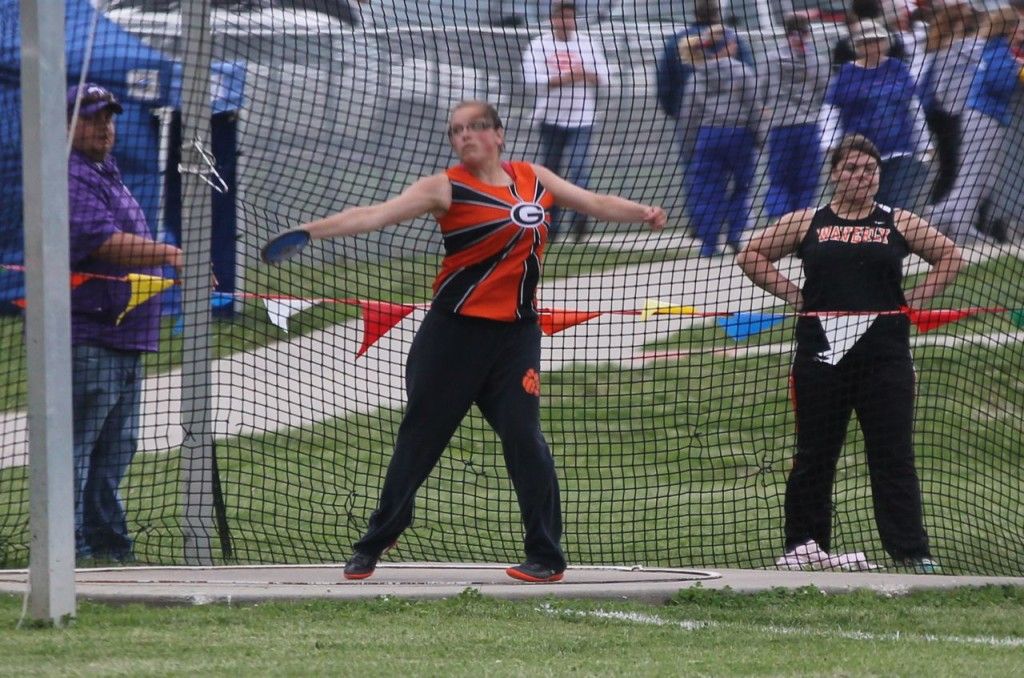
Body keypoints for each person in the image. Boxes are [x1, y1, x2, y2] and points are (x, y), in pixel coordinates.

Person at [285, 101, 665, 583]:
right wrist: (310, 231)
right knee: (419, 441)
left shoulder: (535, 178)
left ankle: (546, 557)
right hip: (453, 336)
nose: (464, 136)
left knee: (526, 440)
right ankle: (377, 540)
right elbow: (375, 216)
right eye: (456, 131)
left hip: (516, 336)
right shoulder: (444, 187)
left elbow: (593, 202)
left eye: (475, 127)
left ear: (499, 135)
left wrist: (642, 212)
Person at [736, 134, 964, 573]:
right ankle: (804, 547)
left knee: (892, 454)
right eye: (852, 169)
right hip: (822, 357)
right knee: (814, 454)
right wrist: (794, 296)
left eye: (870, 170)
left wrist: (915, 298)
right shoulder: (810, 221)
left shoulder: (898, 221)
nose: (861, 177)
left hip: (886, 357)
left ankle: (911, 551)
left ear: (879, 176)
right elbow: (751, 255)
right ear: (835, 173)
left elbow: (952, 257)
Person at [67, 83, 183, 563]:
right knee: (78, 447)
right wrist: (175, 254)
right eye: (93, 118)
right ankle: (66, 548)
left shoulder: (103, 170)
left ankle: (107, 547)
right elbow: (100, 242)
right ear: (65, 125)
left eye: (109, 118)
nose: (104, 128)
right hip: (90, 334)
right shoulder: (68, 174)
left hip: (124, 335)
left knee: (116, 449)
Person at [924, 7, 1024, 244]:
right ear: (1008, 28)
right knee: (974, 175)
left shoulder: (998, 49)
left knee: (981, 177)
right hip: (983, 117)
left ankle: (939, 215)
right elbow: (998, 83)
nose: (1021, 32)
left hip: (984, 117)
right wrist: (1016, 72)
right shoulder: (997, 51)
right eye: (1018, 27)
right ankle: (960, 225)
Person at [655, 0, 753, 225]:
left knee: (697, 178)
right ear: (718, 12)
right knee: (738, 179)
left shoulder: (677, 42)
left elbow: (664, 87)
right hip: (734, 124)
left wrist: (678, 113)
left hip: (691, 122)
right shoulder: (731, 40)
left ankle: (704, 228)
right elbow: (751, 79)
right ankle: (733, 228)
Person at [821, 18, 934, 212]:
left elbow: (914, 108)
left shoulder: (897, 69)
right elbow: (831, 111)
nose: (872, 46)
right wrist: (830, 143)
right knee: (868, 207)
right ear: (856, 46)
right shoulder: (846, 74)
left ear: (885, 42)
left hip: (901, 150)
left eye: (876, 40)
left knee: (897, 206)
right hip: (862, 157)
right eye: (865, 42)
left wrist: (925, 144)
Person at [521, 1, 610, 242]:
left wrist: (585, 75)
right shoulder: (539, 45)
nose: (565, 22)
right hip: (550, 118)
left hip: (582, 118)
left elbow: (605, 76)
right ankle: (552, 226)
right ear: (553, 19)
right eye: (561, 18)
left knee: (579, 168)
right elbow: (533, 81)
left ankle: (580, 222)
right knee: (551, 174)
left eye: (569, 18)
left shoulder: (587, 43)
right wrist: (567, 77)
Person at [677, 23, 761, 256]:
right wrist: (761, 137)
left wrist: (689, 147)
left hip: (707, 135)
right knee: (741, 186)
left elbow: (688, 115)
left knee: (707, 189)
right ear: (729, 45)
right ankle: (734, 233)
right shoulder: (743, 71)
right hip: (738, 134)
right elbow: (753, 108)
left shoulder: (697, 76)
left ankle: (709, 242)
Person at [761, 12, 830, 223]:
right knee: (807, 179)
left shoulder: (772, 58)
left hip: (781, 124)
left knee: (779, 178)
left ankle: (781, 219)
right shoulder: (816, 60)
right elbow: (824, 89)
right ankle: (801, 223)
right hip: (808, 124)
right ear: (808, 33)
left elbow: (762, 88)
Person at [917, 1, 983, 205]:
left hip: (951, 112)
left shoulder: (961, 43)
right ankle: (934, 210)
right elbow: (940, 86)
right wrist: (953, 108)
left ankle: (940, 210)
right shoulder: (946, 46)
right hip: (942, 113)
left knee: (953, 167)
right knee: (951, 167)